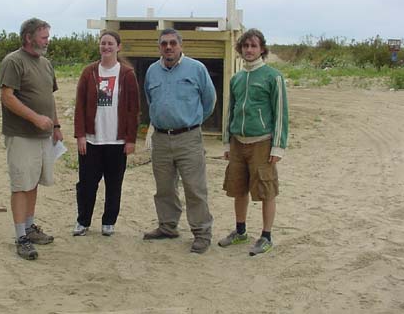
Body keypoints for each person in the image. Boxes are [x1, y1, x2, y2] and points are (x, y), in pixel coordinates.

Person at [143, 28, 216, 254]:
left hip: (189, 139)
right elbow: (149, 99)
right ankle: (167, 226)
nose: (168, 47)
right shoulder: (152, 72)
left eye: (173, 43)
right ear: (159, 47)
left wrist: (191, 123)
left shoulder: (197, 69)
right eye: (164, 43)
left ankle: (202, 233)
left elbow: (209, 101)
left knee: (195, 188)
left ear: (180, 45)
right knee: (164, 188)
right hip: (161, 139)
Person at [219, 28, 288, 256]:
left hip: (263, 143)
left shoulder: (273, 77)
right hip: (238, 143)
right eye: (245, 46)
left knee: (266, 190)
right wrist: (227, 143)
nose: (249, 50)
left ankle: (266, 236)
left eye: (254, 46)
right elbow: (231, 111)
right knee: (239, 188)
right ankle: (240, 232)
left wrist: (278, 146)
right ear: (240, 49)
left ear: (261, 49)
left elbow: (280, 114)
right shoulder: (237, 79)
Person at [0, 18, 62, 260]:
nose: (48, 40)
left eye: (48, 36)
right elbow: (7, 97)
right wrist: (36, 118)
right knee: (20, 185)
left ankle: (29, 227)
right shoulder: (13, 61)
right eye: (44, 36)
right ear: (28, 37)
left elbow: (49, 97)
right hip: (22, 135)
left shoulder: (45, 64)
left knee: (33, 182)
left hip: (43, 136)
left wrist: (55, 125)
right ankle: (21, 237)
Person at [73, 30, 140, 237]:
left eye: (110, 43)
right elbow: (80, 106)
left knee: (113, 184)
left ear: (118, 47)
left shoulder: (127, 74)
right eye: (103, 43)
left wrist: (130, 139)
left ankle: (108, 222)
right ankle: (83, 221)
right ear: (99, 46)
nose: (106, 47)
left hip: (117, 140)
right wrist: (81, 135)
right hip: (92, 140)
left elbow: (133, 109)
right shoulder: (89, 72)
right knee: (86, 184)